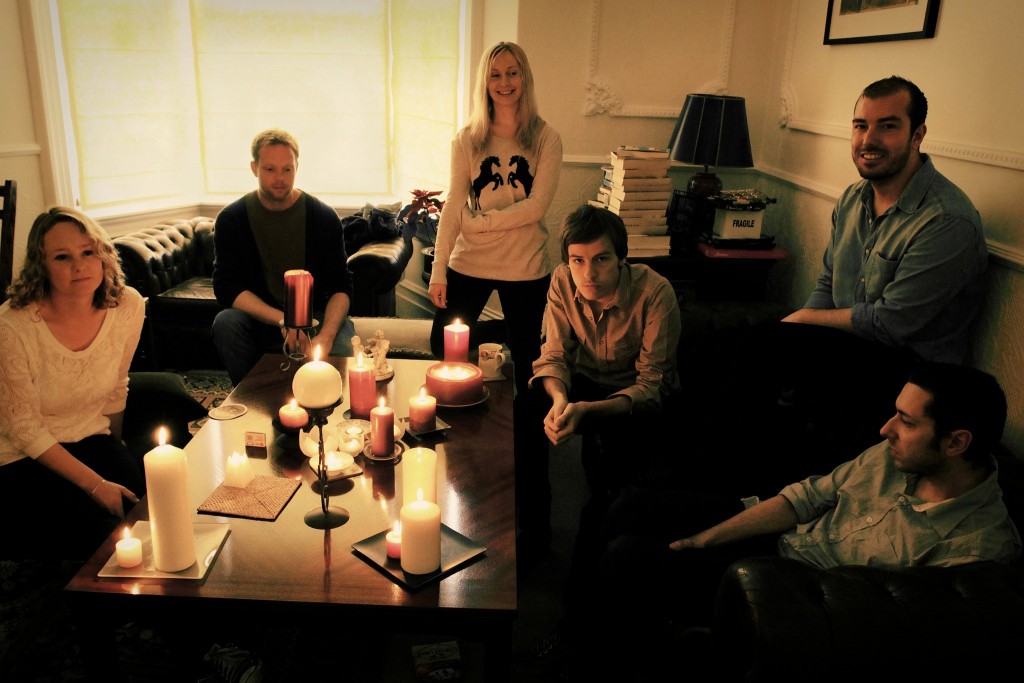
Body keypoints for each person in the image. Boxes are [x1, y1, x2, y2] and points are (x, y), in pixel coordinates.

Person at [542, 362, 1021, 679]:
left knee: (630, 557)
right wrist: (706, 538)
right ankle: (577, 629)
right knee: (633, 504)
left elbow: (880, 635)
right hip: (784, 533)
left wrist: (707, 553)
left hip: (794, 594)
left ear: (957, 442)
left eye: (907, 421)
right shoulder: (896, 457)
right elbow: (806, 497)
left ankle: (587, 660)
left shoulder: (976, 553)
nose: (885, 429)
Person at [691, 75, 990, 487]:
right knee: (714, 342)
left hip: (911, 373)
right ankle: (708, 471)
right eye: (860, 125)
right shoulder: (853, 199)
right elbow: (828, 288)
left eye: (888, 126)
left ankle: (707, 480)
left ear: (917, 134)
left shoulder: (946, 221)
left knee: (760, 348)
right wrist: (797, 339)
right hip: (851, 350)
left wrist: (794, 327)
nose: (869, 139)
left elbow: (891, 324)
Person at [516, 203, 681, 568]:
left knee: (610, 481)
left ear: (622, 257)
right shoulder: (561, 280)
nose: (587, 273)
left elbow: (653, 386)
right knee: (523, 412)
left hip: (632, 396)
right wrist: (559, 399)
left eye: (601, 259)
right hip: (581, 381)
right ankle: (534, 530)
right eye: (577, 260)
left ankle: (591, 575)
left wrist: (590, 413)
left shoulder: (656, 293)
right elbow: (554, 355)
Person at [0, 207, 146, 560]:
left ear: (103, 255)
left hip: (90, 435)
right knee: (100, 536)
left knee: (149, 503)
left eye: (88, 252)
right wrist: (96, 484)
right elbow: (23, 428)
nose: (79, 266)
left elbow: (116, 387)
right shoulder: (12, 326)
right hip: (23, 456)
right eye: (62, 257)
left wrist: (118, 452)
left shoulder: (127, 304)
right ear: (41, 266)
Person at [428, 41, 563, 395]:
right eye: (495, 75)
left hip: (525, 263)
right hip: (471, 258)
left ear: (524, 78)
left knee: (529, 362)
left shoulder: (546, 138)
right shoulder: (468, 140)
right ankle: (461, 419)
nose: (505, 82)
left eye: (512, 73)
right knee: (442, 346)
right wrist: (439, 268)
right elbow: (454, 204)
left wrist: (481, 223)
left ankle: (528, 440)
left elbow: (536, 207)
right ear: (485, 83)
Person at [212, 128, 355, 385]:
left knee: (340, 361)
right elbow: (227, 287)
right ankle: (252, 400)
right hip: (263, 320)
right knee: (226, 323)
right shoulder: (231, 219)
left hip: (317, 317)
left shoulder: (323, 217)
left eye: (287, 169)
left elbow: (341, 285)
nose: (279, 178)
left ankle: (329, 412)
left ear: (296, 167)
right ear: (254, 168)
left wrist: (327, 335)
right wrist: (283, 320)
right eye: (270, 169)